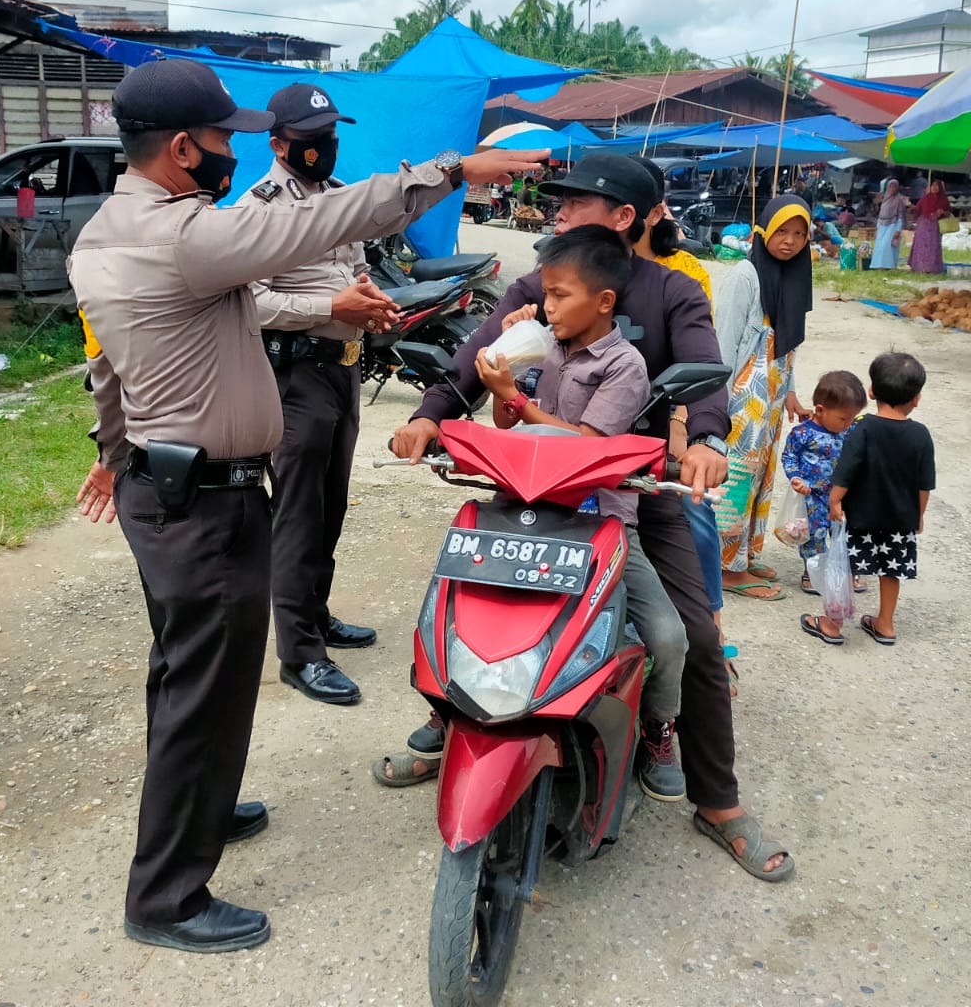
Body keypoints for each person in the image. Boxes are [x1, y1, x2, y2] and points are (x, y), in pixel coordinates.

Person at [70, 56, 547, 953]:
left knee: (186, 677)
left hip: (161, 485)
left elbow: (109, 363)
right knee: (200, 689)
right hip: (202, 502)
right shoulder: (185, 235)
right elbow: (322, 217)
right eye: (221, 140)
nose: (228, 156)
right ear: (180, 148)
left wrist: (110, 449)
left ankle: (200, 814)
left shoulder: (109, 233)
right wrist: (446, 171)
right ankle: (166, 899)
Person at [386, 152, 794, 883]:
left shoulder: (674, 292)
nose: (557, 215)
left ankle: (713, 794)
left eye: (572, 204)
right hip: (532, 489)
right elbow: (479, 357)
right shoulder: (537, 284)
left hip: (630, 494)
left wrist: (702, 441)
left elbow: (704, 371)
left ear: (624, 218)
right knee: (463, 597)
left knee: (693, 635)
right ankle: (459, 719)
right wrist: (428, 416)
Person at [473, 226, 690, 799]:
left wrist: (518, 399)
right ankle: (461, 706)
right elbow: (505, 422)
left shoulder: (625, 364)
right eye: (545, 295)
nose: (547, 307)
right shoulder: (543, 348)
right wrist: (506, 375)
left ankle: (658, 726)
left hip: (600, 523)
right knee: (477, 606)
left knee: (669, 637)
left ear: (603, 302)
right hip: (525, 506)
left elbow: (588, 445)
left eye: (560, 295)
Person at [236, 84, 388, 707]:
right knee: (297, 515)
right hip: (293, 377)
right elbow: (249, 300)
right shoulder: (260, 208)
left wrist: (367, 300)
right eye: (311, 141)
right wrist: (331, 306)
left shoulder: (334, 197)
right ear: (278, 144)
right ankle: (299, 654)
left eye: (329, 136)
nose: (324, 148)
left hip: (341, 370)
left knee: (330, 506)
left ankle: (315, 615)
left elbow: (348, 269)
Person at [633, 173, 730, 690]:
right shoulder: (585, 265)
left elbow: (697, 356)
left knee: (695, 510)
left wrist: (683, 427)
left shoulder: (685, 272)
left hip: (670, 412)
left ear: (649, 212)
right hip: (598, 422)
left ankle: (711, 627)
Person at [713, 195, 814, 602]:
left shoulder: (793, 274)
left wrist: (789, 391)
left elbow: (788, 342)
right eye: (781, 232)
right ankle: (724, 566)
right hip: (743, 393)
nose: (788, 242)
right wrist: (715, 402)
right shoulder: (745, 275)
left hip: (771, 396)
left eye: (798, 234)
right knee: (737, 477)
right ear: (763, 231)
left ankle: (747, 555)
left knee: (761, 477)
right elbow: (723, 342)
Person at [821, 352, 935, 647]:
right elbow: (925, 484)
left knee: (846, 567)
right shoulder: (921, 435)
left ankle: (832, 624)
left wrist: (835, 502)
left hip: (861, 518)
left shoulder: (863, 428)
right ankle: (885, 624)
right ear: (917, 398)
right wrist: (918, 516)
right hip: (899, 520)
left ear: (871, 392)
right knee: (890, 571)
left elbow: (845, 471)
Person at [780, 370, 866, 597]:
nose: (848, 424)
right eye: (842, 418)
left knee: (845, 533)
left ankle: (848, 571)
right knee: (814, 535)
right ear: (820, 410)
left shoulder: (851, 431)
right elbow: (789, 457)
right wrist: (795, 477)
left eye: (852, 418)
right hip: (813, 496)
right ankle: (812, 570)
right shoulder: (802, 433)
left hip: (843, 494)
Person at [907, 178, 951, 274]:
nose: (934, 188)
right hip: (923, 226)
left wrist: (942, 212)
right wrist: (912, 209)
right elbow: (918, 210)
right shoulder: (925, 198)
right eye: (932, 185)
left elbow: (948, 212)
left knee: (933, 247)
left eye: (936, 186)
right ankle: (919, 266)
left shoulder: (943, 199)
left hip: (935, 227)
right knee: (921, 246)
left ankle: (931, 268)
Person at [870, 178, 908, 270]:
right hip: (882, 225)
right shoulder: (885, 199)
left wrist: (898, 230)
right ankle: (879, 265)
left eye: (894, 187)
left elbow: (900, 217)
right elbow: (881, 214)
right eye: (890, 186)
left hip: (893, 225)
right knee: (879, 246)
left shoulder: (899, 200)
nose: (892, 189)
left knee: (886, 246)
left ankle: (888, 265)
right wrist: (877, 228)